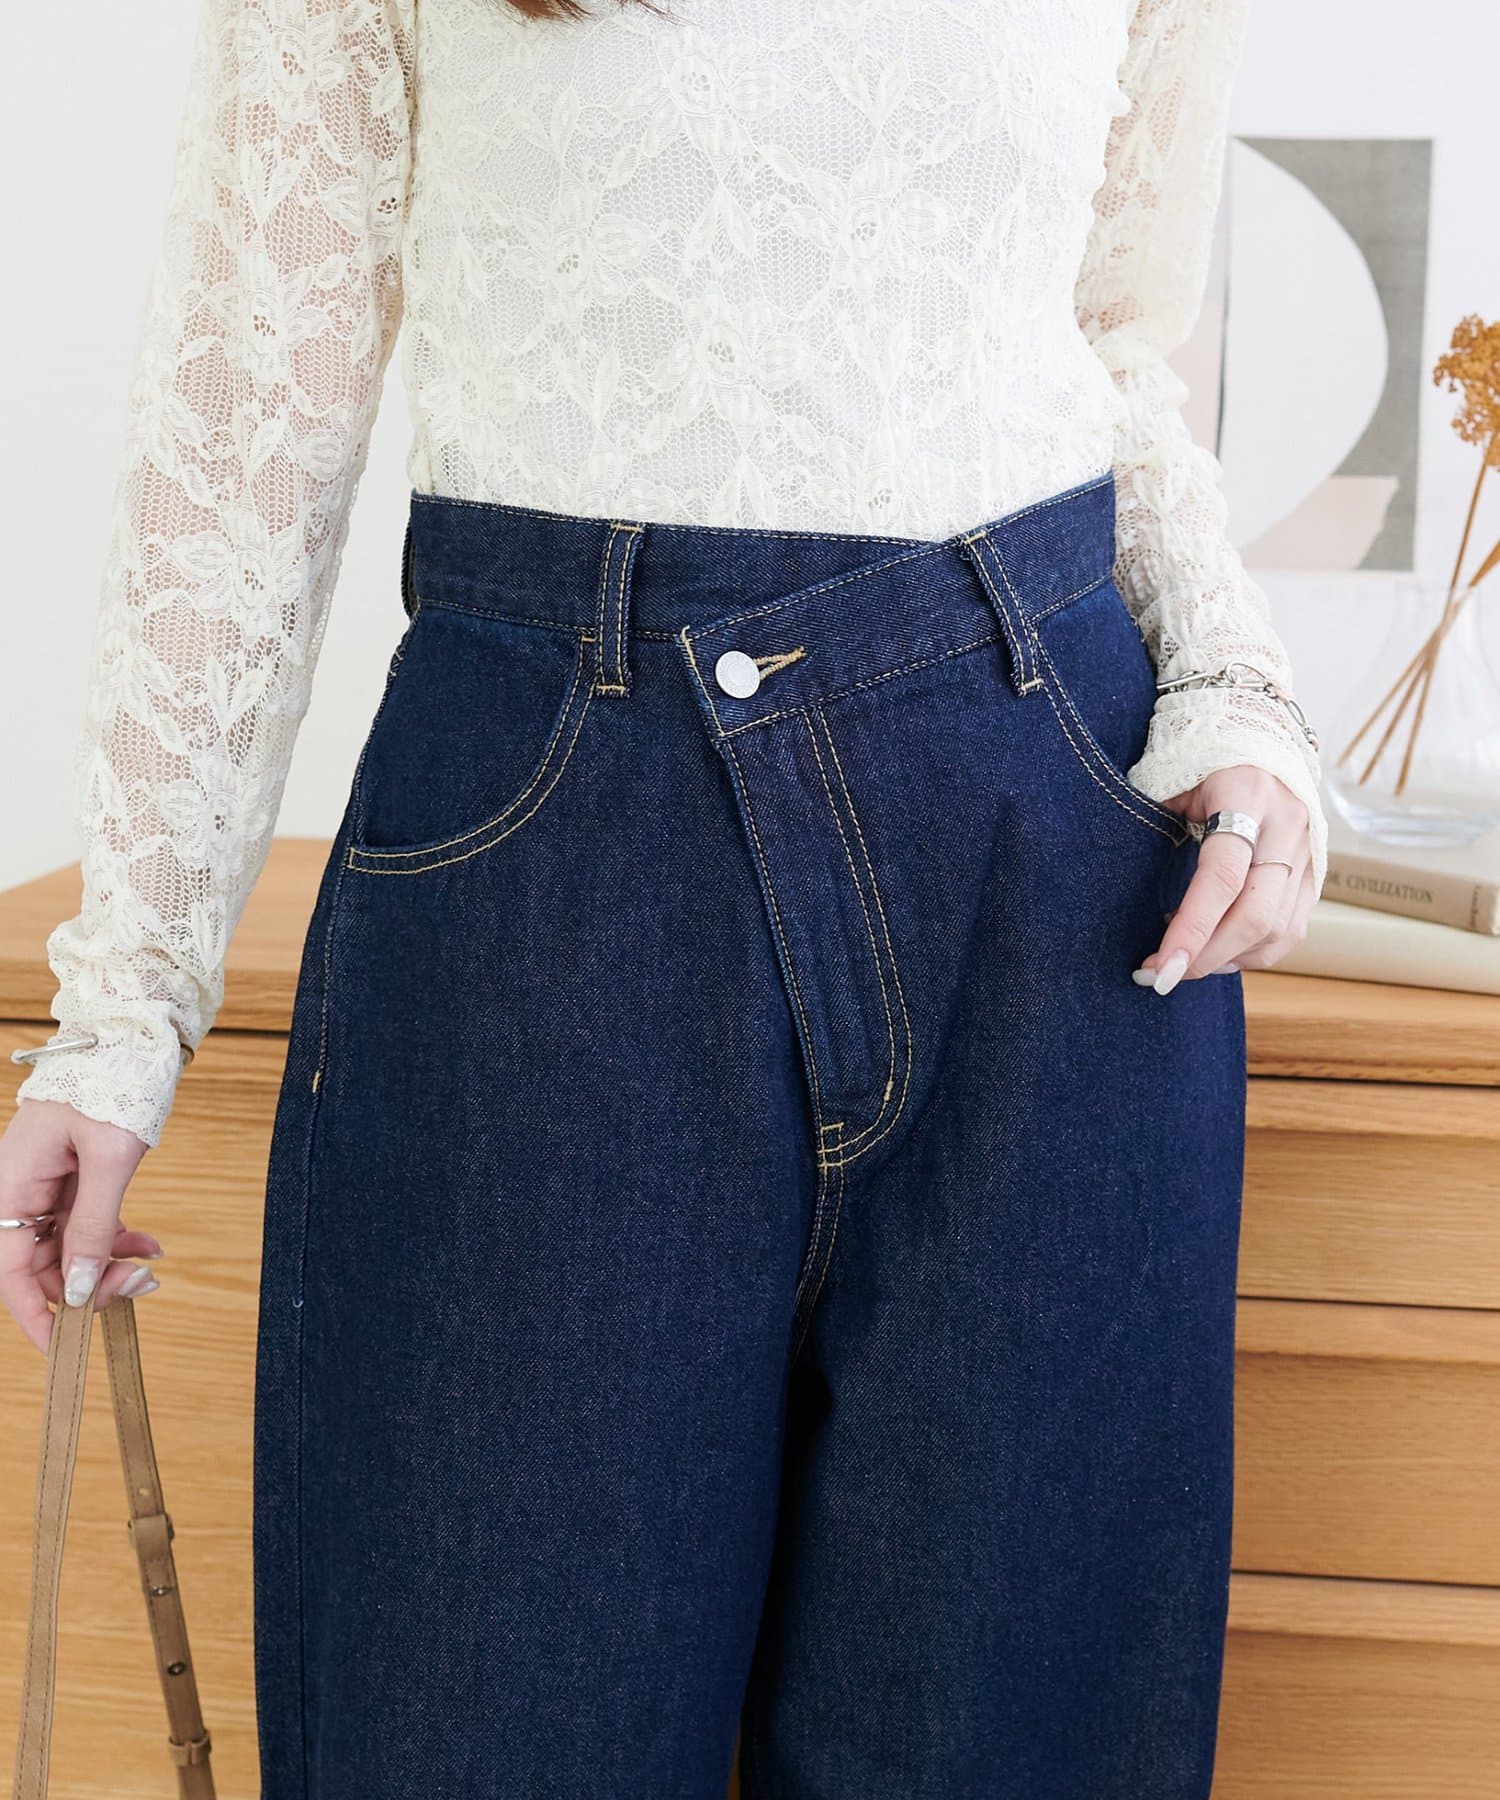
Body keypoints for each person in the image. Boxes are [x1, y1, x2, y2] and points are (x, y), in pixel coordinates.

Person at [1, 0, 1325, 1793]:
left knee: (1014, 1738)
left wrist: (1238, 696)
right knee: (480, 1722)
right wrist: (124, 1003)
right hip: (554, 852)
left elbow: (1106, 341)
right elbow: (250, 406)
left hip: (1056, 857)